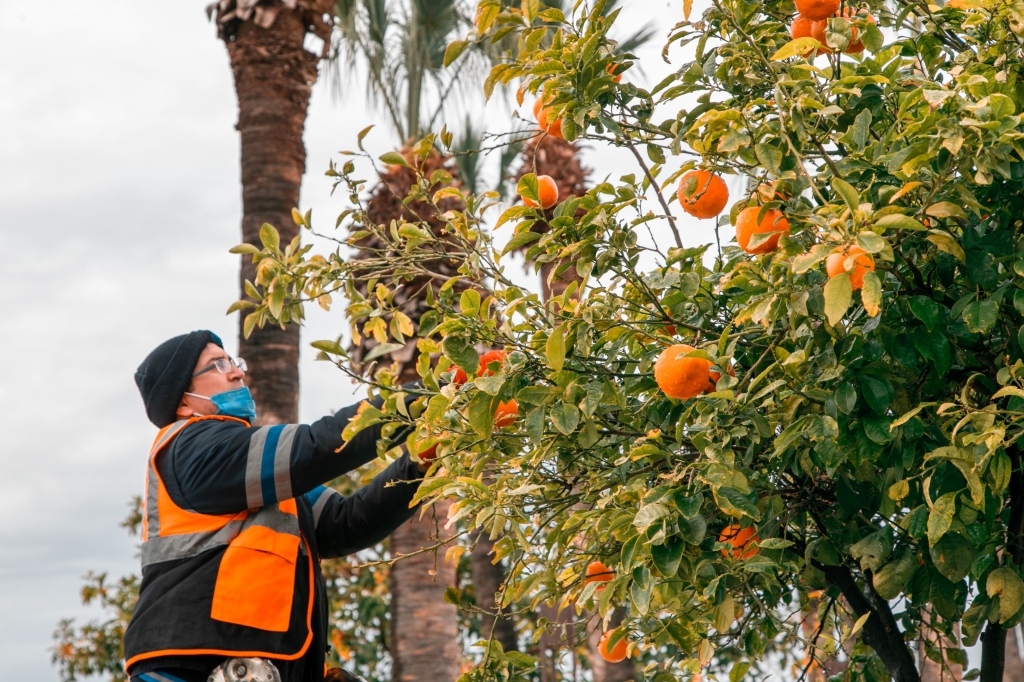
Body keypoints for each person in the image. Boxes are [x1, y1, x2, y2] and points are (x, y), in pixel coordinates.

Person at [124, 330, 430, 682]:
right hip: (188, 667)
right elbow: (316, 446)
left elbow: (347, 522)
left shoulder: (254, 483)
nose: (237, 372)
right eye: (218, 365)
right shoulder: (192, 448)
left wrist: (421, 460)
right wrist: (427, 398)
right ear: (182, 402)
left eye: (234, 362)